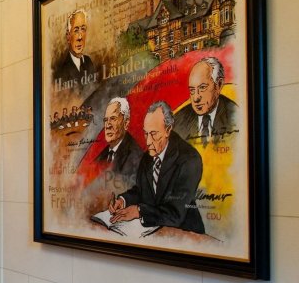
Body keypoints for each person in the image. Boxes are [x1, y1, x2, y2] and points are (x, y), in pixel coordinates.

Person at [107, 101, 204, 233]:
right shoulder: (148, 157)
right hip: (153, 233)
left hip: (186, 235)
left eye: (153, 134)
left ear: (168, 130)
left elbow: (175, 214)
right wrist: (123, 200)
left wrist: (139, 211)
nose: (148, 142)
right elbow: (142, 191)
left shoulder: (190, 159)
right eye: (146, 133)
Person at [172, 56, 238, 143]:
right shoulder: (177, 121)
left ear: (219, 85)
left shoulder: (236, 116)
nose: (196, 98)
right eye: (192, 90)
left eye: (202, 88)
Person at [91, 97, 143, 189]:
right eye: (106, 120)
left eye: (113, 119)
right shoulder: (100, 157)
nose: (108, 125)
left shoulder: (137, 158)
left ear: (126, 123)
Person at [52, 9, 96, 86]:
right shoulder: (62, 71)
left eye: (83, 29)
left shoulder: (88, 62)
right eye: (76, 30)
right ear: (68, 36)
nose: (80, 37)